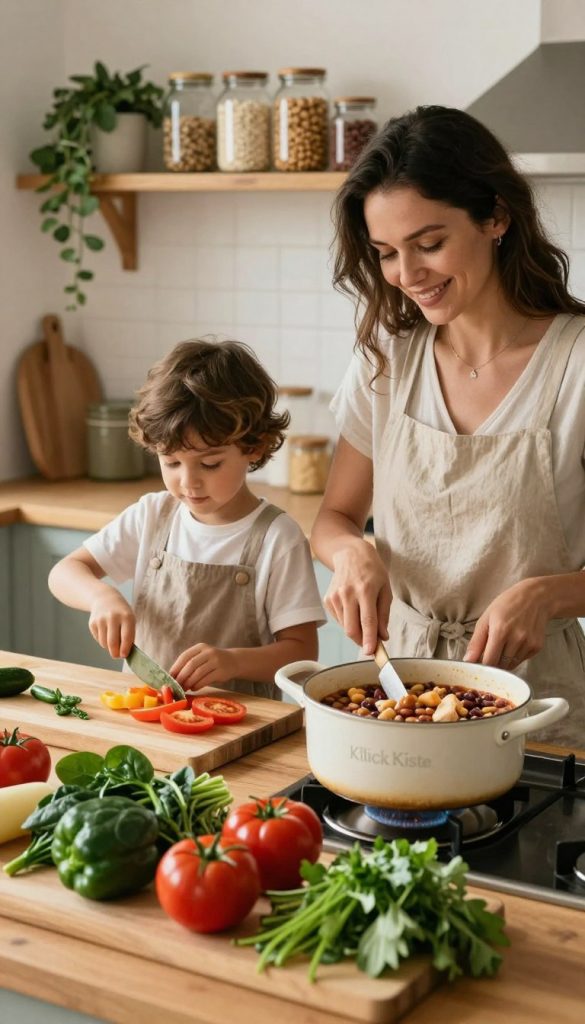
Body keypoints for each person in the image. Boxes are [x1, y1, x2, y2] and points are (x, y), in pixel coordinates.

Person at [311, 104, 585, 746]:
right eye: (386, 253)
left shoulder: (576, 366)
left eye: (429, 244)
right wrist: (352, 554)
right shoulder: (385, 356)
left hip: (537, 708)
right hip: (395, 691)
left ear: (496, 216)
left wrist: (550, 596)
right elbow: (334, 519)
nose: (408, 276)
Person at [49, 339, 325, 699]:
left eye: (210, 464)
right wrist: (101, 597)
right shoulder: (153, 515)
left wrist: (233, 662)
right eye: (171, 462)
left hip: (240, 726)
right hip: (148, 715)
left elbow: (303, 653)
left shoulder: (277, 537)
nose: (188, 481)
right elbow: (65, 572)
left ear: (254, 447)